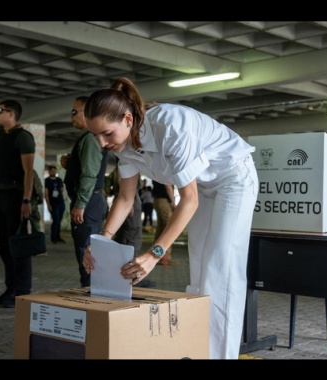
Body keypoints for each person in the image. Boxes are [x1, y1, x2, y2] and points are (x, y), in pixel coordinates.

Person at [82, 78, 259, 359]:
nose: (103, 143)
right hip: (203, 185)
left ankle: (222, 356)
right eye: (97, 137)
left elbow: (188, 200)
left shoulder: (171, 126)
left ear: (128, 119)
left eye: (106, 134)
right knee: (201, 269)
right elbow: (126, 198)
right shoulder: (123, 146)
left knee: (221, 270)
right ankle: (202, 349)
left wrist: (154, 253)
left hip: (233, 179)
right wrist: (102, 240)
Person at [0, 99, 35, 309]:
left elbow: (28, 172)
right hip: (1, 196)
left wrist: (26, 200)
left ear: (11, 114)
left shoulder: (23, 137)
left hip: (16, 196)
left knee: (18, 246)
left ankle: (21, 291)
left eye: (0, 111)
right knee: (5, 247)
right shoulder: (1, 139)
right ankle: (10, 288)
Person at [61, 96, 108, 288]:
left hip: (88, 203)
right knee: (87, 251)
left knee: (87, 252)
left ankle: (92, 293)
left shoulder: (90, 138)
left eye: (75, 112)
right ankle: (91, 291)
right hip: (90, 201)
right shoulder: (87, 138)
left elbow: (90, 174)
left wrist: (80, 204)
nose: (71, 116)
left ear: (88, 113)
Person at [104, 160, 156, 288]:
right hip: (129, 198)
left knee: (123, 235)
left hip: (126, 197)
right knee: (133, 235)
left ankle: (122, 274)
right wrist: (130, 202)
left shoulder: (119, 168)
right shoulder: (126, 162)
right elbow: (122, 183)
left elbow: (109, 188)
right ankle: (131, 276)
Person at [151, 180, 178, 265]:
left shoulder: (156, 169)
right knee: (169, 228)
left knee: (161, 228)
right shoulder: (166, 169)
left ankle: (156, 256)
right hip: (164, 201)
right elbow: (168, 187)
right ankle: (165, 257)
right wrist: (174, 203)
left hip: (157, 200)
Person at [44, 165, 66, 244]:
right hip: (53, 204)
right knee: (55, 220)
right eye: (52, 171)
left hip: (61, 203)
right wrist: (48, 204)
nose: (53, 172)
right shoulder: (46, 181)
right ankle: (53, 237)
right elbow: (46, 194)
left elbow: (62, 190)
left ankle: (58, 236)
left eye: (54, 171)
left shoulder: (59, 180)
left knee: (59, 220)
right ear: (49, 171)